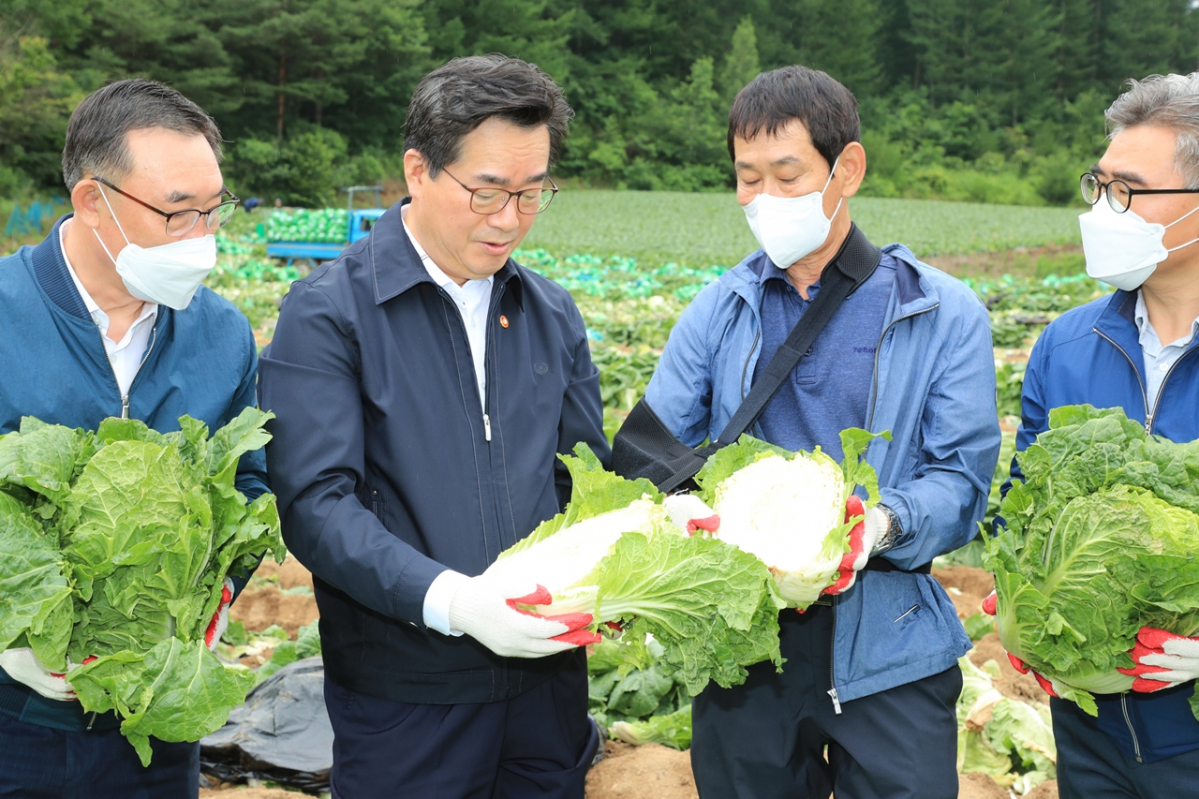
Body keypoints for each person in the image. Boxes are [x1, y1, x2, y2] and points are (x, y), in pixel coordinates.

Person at [634, 65, 1001, 799]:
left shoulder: (939, 310)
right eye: (745, 177)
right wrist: (675, 506)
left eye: (785, 174)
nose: (762, 197)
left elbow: (960, 481)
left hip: (888, 641)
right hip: (745, 647)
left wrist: (881, 524)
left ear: (847, 169)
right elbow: (649, 446)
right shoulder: (720, 308)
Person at [258, 55, 609, 798]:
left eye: (532, 192)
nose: (510, 218)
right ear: (418, 171)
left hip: (545, 685)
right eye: (486, 191)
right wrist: (453, 600)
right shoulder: (329, 312)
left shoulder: (549, 313)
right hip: (406, 691)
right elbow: (316, 505)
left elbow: (583, 479)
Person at [0, 79, 268, 797]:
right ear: (93, 202)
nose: (203, 239)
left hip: (153, 727)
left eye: (216, 211)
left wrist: (211, 601)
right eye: (178, 213)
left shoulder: (222, 334)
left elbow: (247, 490)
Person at [1000, 72, 1199, 798]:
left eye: (1127, 190)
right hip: (1086, 729)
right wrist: (1020, 592)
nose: (1101, 208)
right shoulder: (1063, 343)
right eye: (1098, 185)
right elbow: (1022, 503)